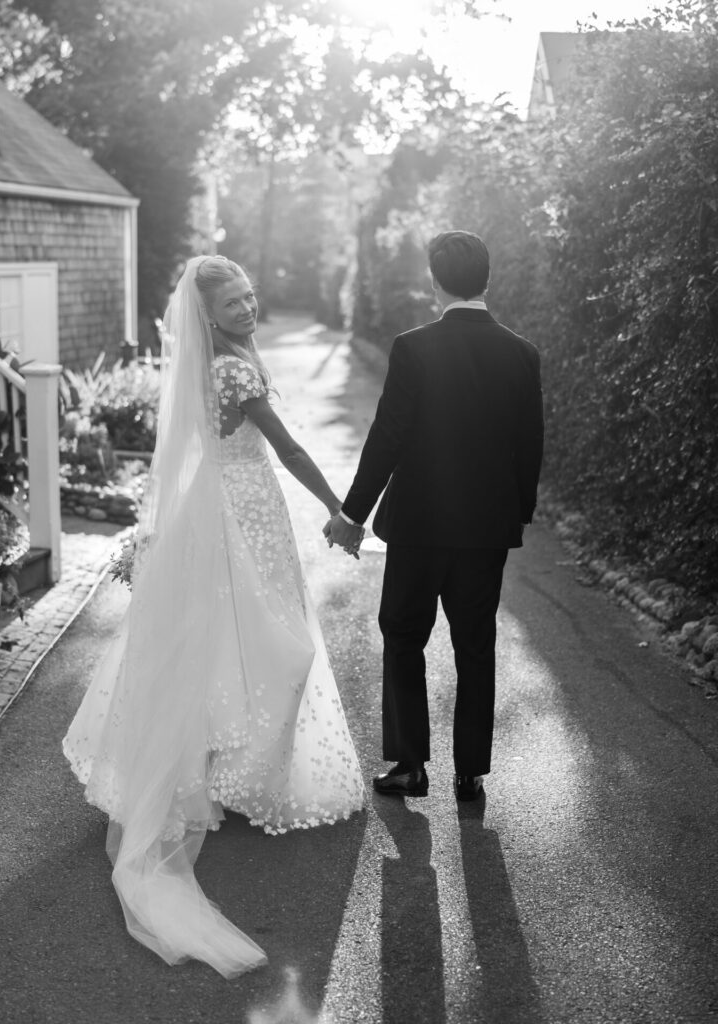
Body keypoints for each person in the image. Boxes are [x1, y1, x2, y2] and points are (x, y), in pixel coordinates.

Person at [63, 255, 364, 975]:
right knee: (270, 643)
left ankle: (216, 771)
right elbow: (289, 449)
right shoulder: (232, 370)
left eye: (250, 296)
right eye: (233, 303)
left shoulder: (208, 364)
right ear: (208, 315)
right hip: (244, 511)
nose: (248, 308)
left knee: (220, 640)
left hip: (216, 505)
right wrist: (341, 509)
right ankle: (240, 773)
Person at [325, 230, 543, 802]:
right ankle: (470, 773)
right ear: (487, 279)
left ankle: (409, 765)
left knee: (403, 635)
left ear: (435, 281)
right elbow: (530, 444)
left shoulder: (413, 347)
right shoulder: (522, 353)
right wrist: (517, 513)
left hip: (418, 525)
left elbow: (389, 436)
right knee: (475, 644)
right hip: (486, 529)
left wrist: (353, 513)